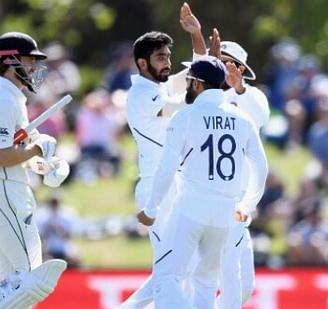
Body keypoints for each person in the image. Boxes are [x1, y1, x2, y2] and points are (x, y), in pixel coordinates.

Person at [137, 56, 268, 309]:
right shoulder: (242, 119)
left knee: (166, 278)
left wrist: (151, 209)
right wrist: (248, 205)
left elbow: (166, 169)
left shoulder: (185, 117)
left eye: (188, 80)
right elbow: (260, 167)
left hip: (191, 205)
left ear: (196, 84)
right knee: (206, 282)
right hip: (226, 210)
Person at [118, 3, 207, 308]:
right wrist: (206, 84)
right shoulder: (142, 94)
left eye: (168, 56)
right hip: (157, 186)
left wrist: (196, 37)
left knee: (176, 268)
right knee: (171, 270)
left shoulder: (161, 85)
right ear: (143, 63)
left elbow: (198, 72)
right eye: (160, 58)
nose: (168, 63)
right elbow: (186, 101)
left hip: (176, 185)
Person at [0, 32, 69, 309]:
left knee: (10, 282)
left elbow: (14, 154)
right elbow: (2, 155)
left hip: (1, 190)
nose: (34, 69)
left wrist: (46, 164)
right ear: (10, 61)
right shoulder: (4, 100)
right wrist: (37, 150)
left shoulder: (11, 99)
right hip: (4, 191)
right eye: (29, 61)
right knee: (31, 280)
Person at [208, 35, 271, 308]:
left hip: (240, 203)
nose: (219, 68)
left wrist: (241, 90)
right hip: (213, 198)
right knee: (219, 281)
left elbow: (260, 117)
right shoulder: (204, 96)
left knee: (245, 287)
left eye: (224, 63)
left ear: (239, 68)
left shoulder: (251, 95)